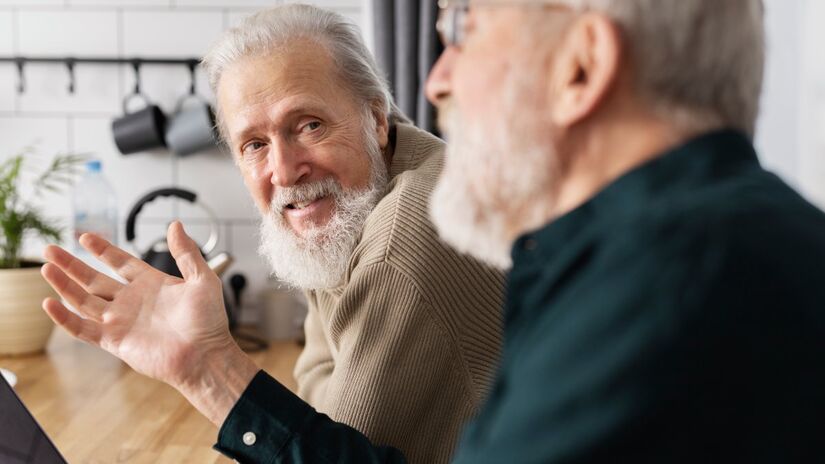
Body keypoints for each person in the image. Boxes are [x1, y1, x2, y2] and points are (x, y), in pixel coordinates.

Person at [40, 0, 825, 463]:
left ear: (581, 67)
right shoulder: (694, 248)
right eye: (251, 143)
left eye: (464, 28)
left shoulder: (658, 290)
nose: (438, 79)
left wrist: (212, 372)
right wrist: (207, 367)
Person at [40, 5, 504, 464]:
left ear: (376, 119)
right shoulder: (356, 205)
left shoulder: (402, 242)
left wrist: (207, 365)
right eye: (255, 145)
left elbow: (336, 454)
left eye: (309, 126)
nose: (283, 171)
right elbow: (318, 379)